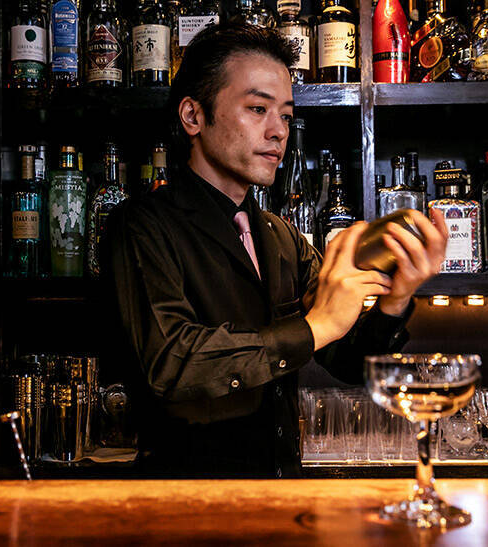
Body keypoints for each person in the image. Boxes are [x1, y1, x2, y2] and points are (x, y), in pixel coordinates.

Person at [99, 23, 448, 478]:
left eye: (284, 115)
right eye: (258, 108)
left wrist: (394, 299)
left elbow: (346, 361)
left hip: (281, 489)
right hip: (186, 500)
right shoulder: (142, 225)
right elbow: (172, 363)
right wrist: (315, 327)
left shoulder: (281, 236)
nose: (278, 131)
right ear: (193, 116)